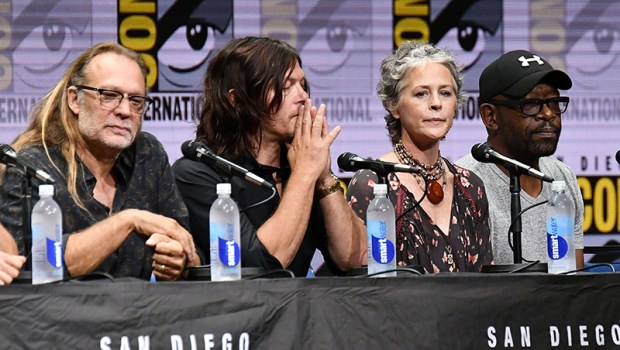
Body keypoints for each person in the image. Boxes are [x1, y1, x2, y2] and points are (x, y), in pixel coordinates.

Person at [0, 42, 200, 281]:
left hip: (142, 313)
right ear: (74, 100)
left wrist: (180, 260)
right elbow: (26, 271)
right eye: (110, 95)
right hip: (62, 315)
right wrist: (128, 220)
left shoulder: (148, 155)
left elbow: (189, 250)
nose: (125, 110)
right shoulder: (31, 167)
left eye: (136, 100)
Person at [173, 36, 366, 277]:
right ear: (237, 99)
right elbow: (263, 268)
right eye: (286, 86)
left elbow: (356, 260)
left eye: (302, 85)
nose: (303, 98)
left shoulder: (299, 162)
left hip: (300, 310)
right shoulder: (197, 173)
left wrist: (325, 177)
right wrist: (305, 175)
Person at [346, 41, 493, 273]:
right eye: (421, 93)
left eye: (445, 93)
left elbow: (486, 279)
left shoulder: (470, 186)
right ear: (393, 106)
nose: (436, 103)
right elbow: (364, 286)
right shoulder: (372, 184)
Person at [456, 50, 584, 267]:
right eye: (531, 104)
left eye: (554, 102)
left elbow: (575, 280)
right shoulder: (464, 182)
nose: (548, 114)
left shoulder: (563, 177)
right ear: (491, 116)